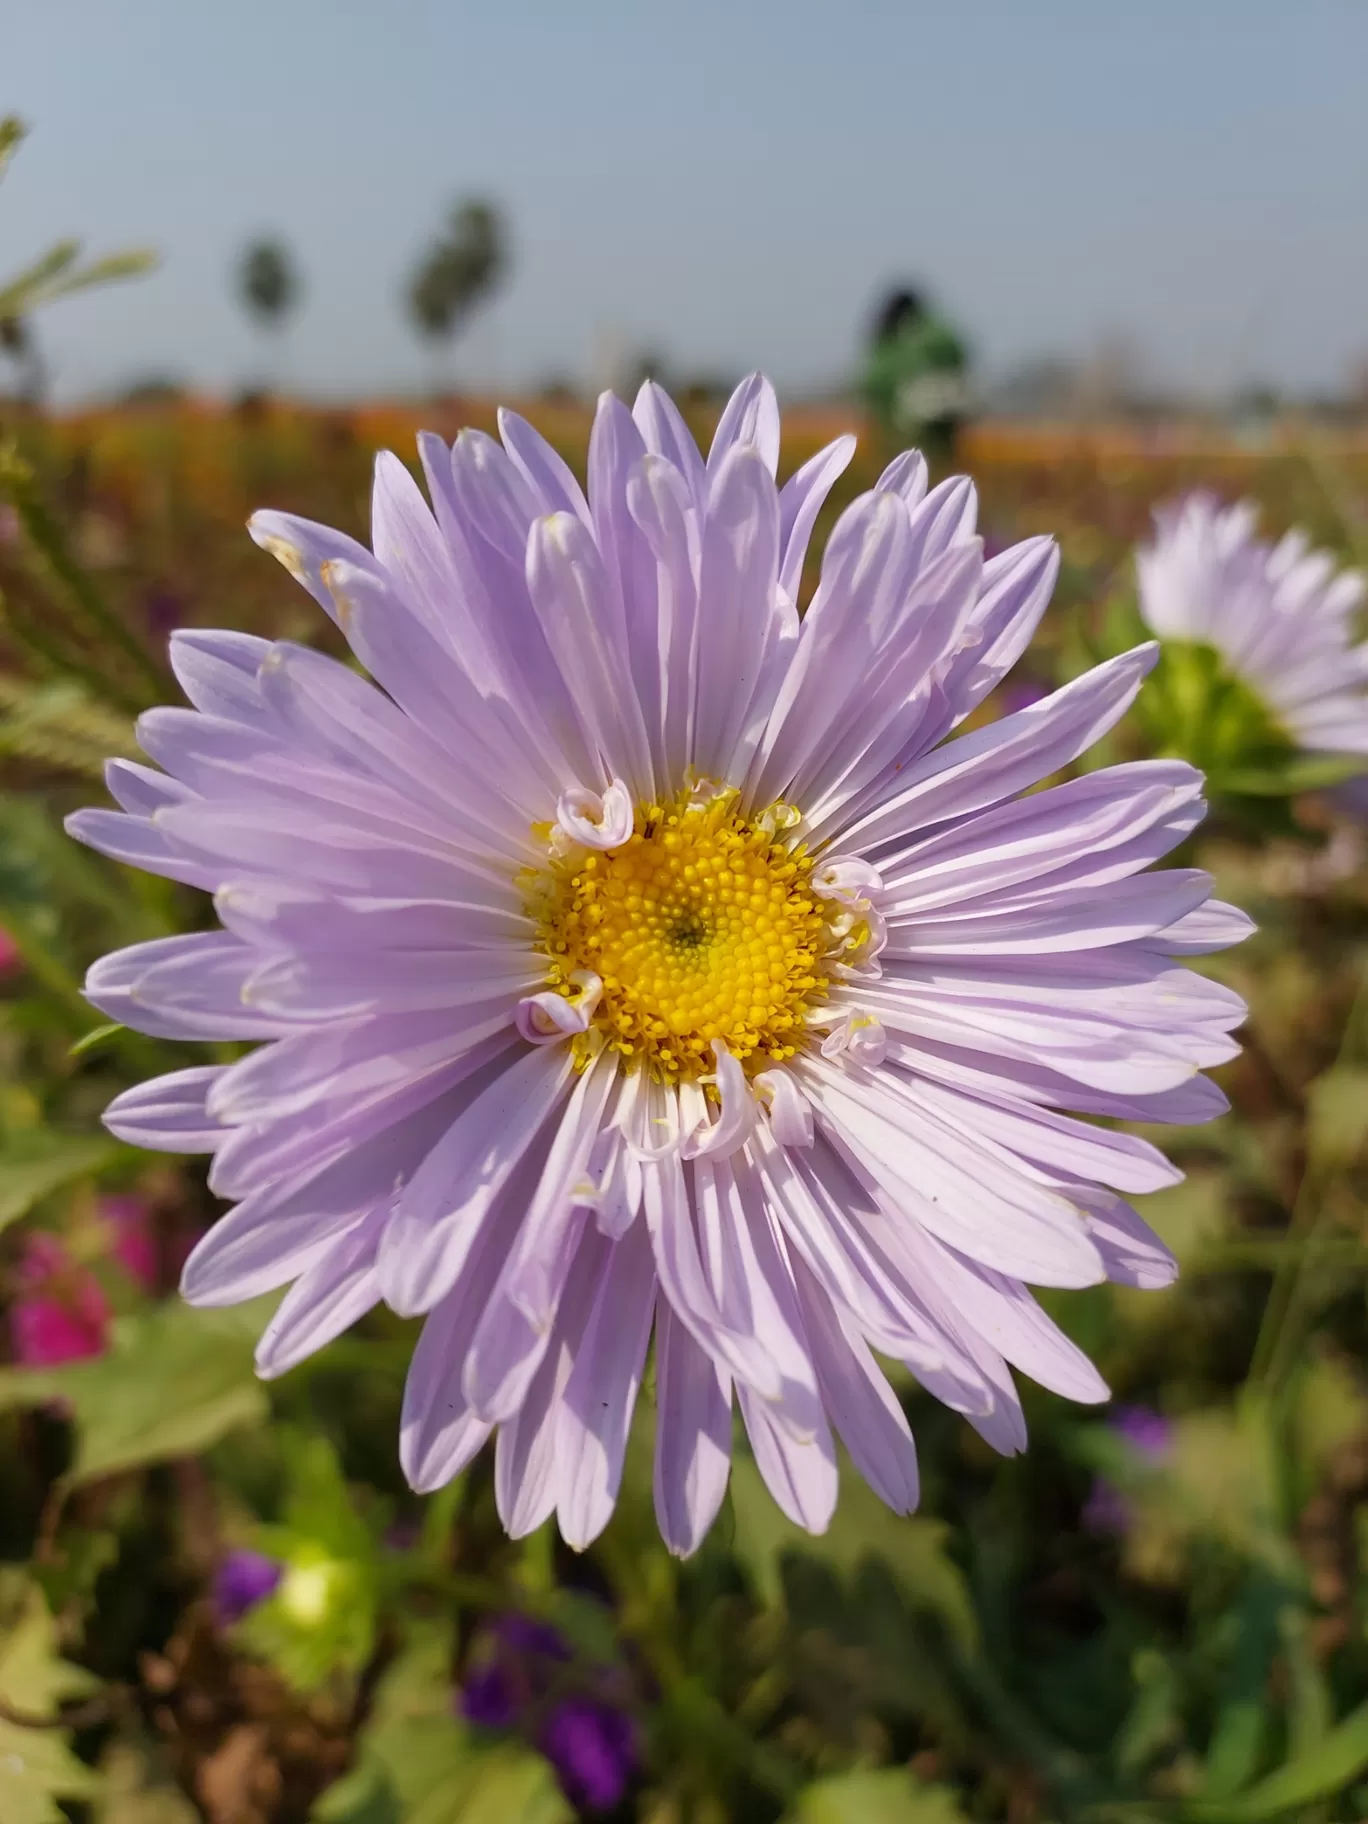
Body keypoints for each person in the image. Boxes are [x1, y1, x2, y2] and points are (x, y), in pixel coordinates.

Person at [860, 285, 969, 474]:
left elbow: (876, 381)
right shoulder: (931, 331)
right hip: (921, 413)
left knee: (914, 456)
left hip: (911, 414)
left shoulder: (905, 338)